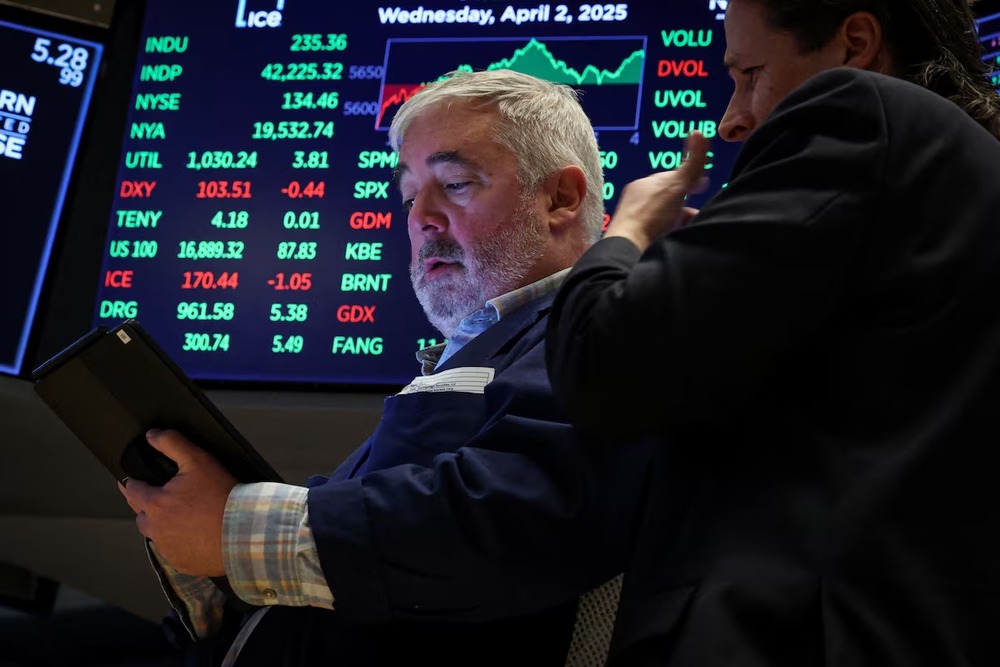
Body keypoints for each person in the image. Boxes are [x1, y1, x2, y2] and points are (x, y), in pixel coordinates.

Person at [118, 69, 653, 666]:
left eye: (454, 183)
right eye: (407, 196)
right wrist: (207, 558)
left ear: (561, 198)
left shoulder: (600, 328)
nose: (420, 216)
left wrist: (234, 525)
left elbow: (519, 520)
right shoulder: (489, 350)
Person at [546, 0, 1000, 665]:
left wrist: (626, 236)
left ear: (856, 42)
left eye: (749, 72)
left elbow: (601, 364)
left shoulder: (856, 110)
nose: (734, 118)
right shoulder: (963, 177)